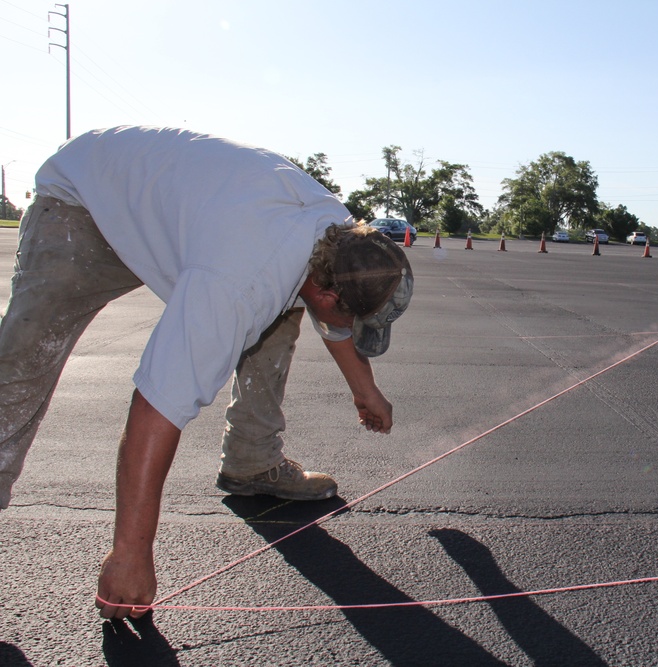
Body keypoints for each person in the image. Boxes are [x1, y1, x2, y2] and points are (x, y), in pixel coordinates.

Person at [0, 126, 414, 619]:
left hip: (185, 212)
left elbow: (331, 313)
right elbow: (158, 403)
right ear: (328, 292)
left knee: (280, 314)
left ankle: (251, 460)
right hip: (85, 200)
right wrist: (131, 554)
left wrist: (365, 389)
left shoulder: (338, 238)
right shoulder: (240, 282)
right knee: (22, 361)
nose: (350, 328)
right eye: (354, 318)